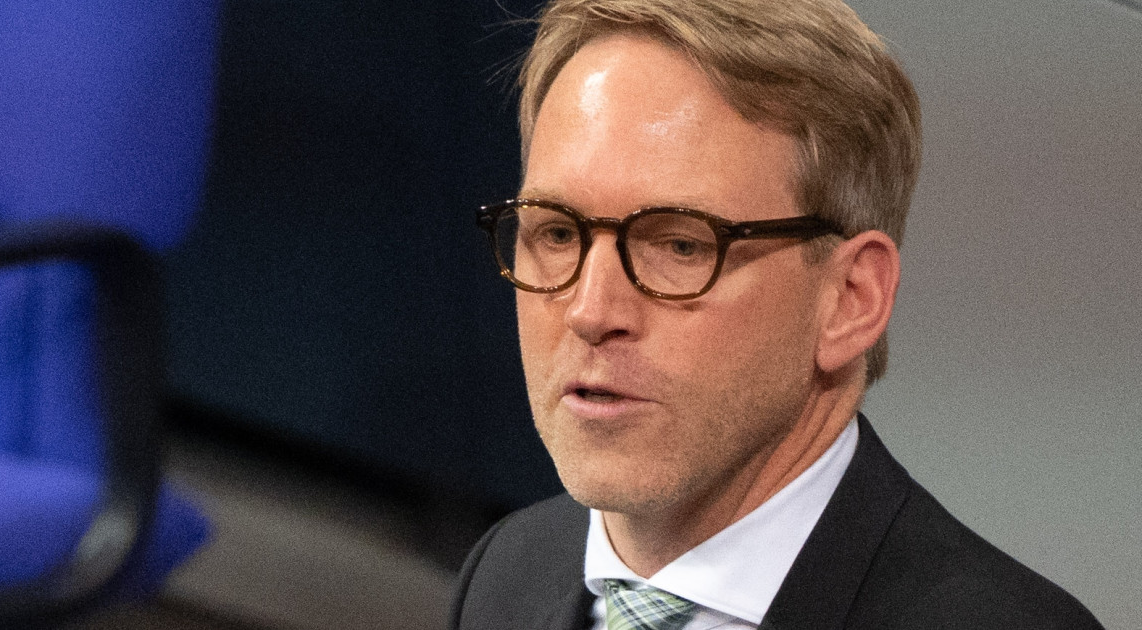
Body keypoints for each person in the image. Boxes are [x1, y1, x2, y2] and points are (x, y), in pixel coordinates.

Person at [452, 0, 1104, 628]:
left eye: (681, 246)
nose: (591, 311)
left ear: (851, 299)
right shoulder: (510, 568)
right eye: (558, 233)